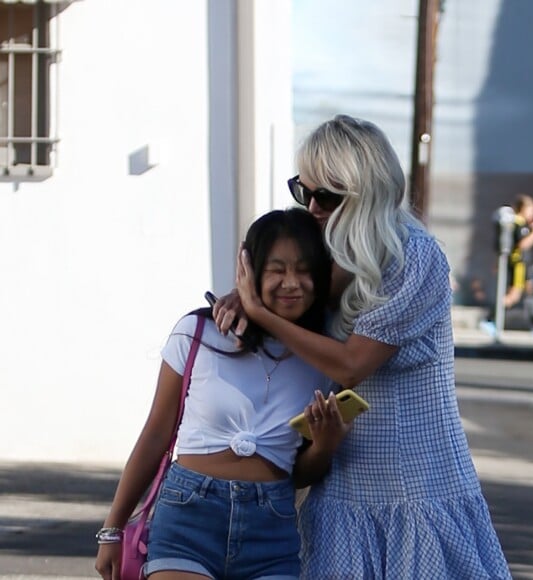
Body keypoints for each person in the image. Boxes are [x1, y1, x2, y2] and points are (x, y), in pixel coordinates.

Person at [224, 115, 511, 579]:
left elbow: (354, 363)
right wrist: (250, 293)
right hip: (341, 493)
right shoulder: (321, 253)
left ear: (367, 193)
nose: (312, 208)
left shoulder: (414, 255)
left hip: (417, 490)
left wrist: (263, 313)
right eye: (304, 191)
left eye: (329, 197)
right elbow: (283, 293)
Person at [95, 208, 350, 580]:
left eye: (304, 269)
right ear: (249, 269)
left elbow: (298, 472)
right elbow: (155, 434)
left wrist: (324, 447)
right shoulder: (198, 332)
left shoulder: (326, 357)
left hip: (272, 531)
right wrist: (113, 528)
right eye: (276, 269)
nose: (291, 282)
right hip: (187, 518)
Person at [504, 194, 533, 308]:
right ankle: (490, 317)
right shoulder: (518, 223)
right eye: (532, 210)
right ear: (523, 208)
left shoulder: (522, 224)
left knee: (530, 289)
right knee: (514, 295)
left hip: (523, 263)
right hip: (518, 262)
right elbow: (522, 245)